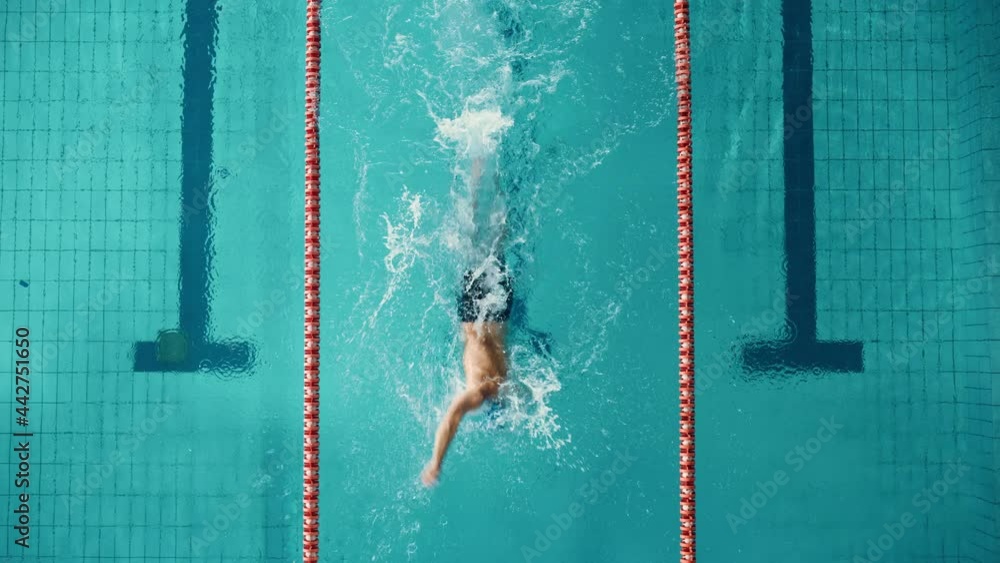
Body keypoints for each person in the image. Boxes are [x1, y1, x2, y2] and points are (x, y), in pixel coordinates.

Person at [421, 157, 513, 487]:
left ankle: (496, 171)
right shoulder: (485, 389)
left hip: (497, 309)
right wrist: (435, 462)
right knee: (478, 233)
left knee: (496, 238)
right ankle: (480, 164)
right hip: (479, 309)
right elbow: (452, 417)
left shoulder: (506, 382)